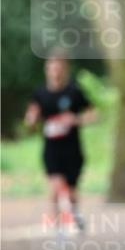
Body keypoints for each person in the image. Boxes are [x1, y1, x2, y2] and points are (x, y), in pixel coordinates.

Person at [24, 51, 96, 231]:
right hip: (51, 149)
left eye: (58, 68)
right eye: (51, 68)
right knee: (56, 188)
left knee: (70, 192)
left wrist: (76, 119)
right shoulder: (40, 93)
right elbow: (31, 117)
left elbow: (92, 114)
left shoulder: (74, 92)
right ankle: (57, 229)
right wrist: (31, 120)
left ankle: (74, 212)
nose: (55, 71)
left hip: (72, 149)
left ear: (65, 70)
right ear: (46, 70)